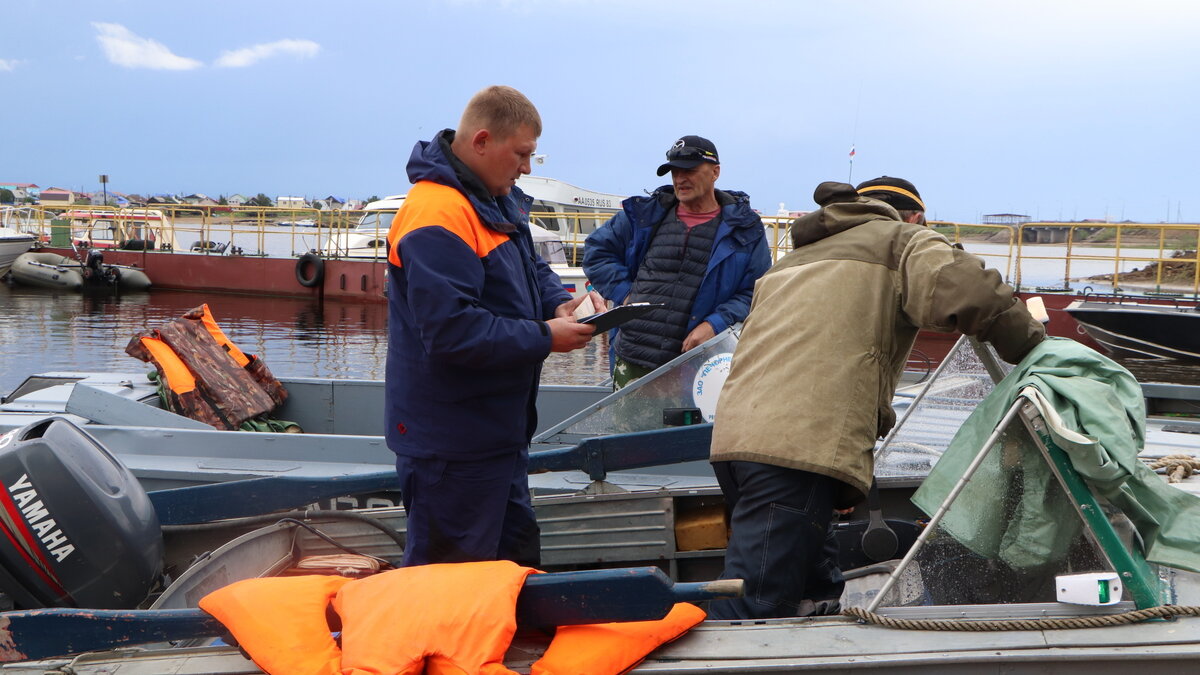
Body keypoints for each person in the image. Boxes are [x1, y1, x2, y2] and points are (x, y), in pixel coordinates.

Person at [707, 176, 1046, 619]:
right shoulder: (900, 241)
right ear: (916, 218)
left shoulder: (797, 259)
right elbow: (975, 293)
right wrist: (1035, 350)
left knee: (814, 589)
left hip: (739, 441)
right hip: (794, 450)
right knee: (755, 604)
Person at [384, 85, 604, 568]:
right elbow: (451, 333)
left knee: (511, 568)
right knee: (450, 585)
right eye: (521, 154)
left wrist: (560, 303)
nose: (526, 167)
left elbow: (530, 264)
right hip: (452, 444)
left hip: (495, 436)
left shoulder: (492, 196)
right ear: (482, 141)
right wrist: (546, 337)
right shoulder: (436, 214)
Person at [583, 135, 772, 388]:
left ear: (715, 172)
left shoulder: (745, 229)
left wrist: (714, 324)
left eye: (689, 170)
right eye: (674, 171)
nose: (680, 179)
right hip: (632, 357)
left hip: (702, 365)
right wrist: (626, 294)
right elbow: (597, 251)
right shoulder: (643, 216)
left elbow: (756, 290)